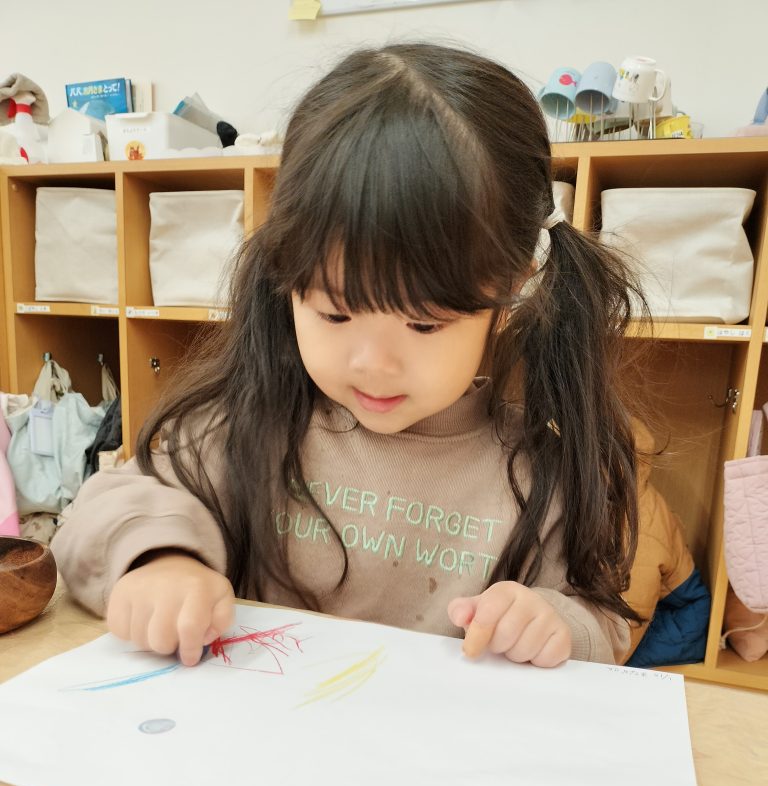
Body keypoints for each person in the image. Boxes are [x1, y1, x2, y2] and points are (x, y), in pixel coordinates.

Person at [52, 42, 646, 670]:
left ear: (514, 284)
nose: (373, 363)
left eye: (423, 323)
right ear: (287, 276)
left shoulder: (540, 471)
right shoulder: (250, 422)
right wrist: (161, 562)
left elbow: (602, 622)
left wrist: (555, 624)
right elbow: (100, 513)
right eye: (335, 314)